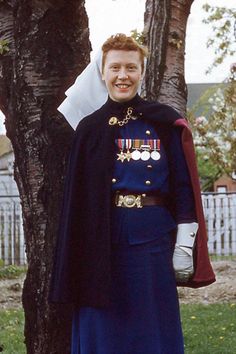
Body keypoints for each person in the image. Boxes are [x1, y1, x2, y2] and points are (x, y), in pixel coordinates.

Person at [50, 34, 215, 354]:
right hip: (101, 242)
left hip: (152, 240)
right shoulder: (89, 128)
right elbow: (78, 201)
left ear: (142, 72)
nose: (122, 75)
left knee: (151, 324)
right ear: (103, 72)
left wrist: (184, 243)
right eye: (115, 68)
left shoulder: (164, 122)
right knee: (103, 324)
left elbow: (183, 187)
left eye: (130, 68)